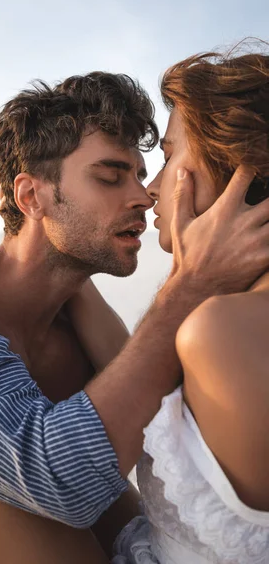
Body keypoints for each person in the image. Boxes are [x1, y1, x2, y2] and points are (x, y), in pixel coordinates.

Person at [0, 70, 269, 564]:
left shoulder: (81, 314)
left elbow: (160, 435)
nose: (144, 197)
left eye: (143, 175)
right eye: (109, 176)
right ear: (31, 196)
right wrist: (192, 285)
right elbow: (54, 484)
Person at [79, 45, 269, 563]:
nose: (152, 190)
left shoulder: (222, 334)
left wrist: (189, 282)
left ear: (238, 165)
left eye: (167, 157)